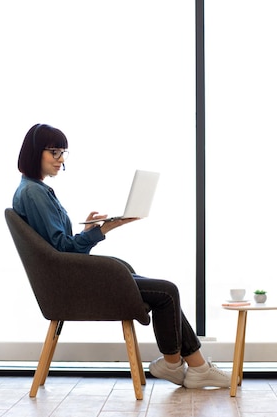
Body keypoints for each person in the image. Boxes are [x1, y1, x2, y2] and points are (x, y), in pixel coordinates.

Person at [12, 123, 231, 389]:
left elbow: (59, 249)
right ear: (36, 152)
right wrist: (106, 228)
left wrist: (89, 231)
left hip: (70, 276)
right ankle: (180, 366)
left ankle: (192, 367)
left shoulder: (34, 189)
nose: (60, 160)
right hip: (71, 284)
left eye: (63, 153)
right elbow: (62, 252)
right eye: (54, 152)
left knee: (161, 290)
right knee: (167, 292)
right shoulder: (34, 193)